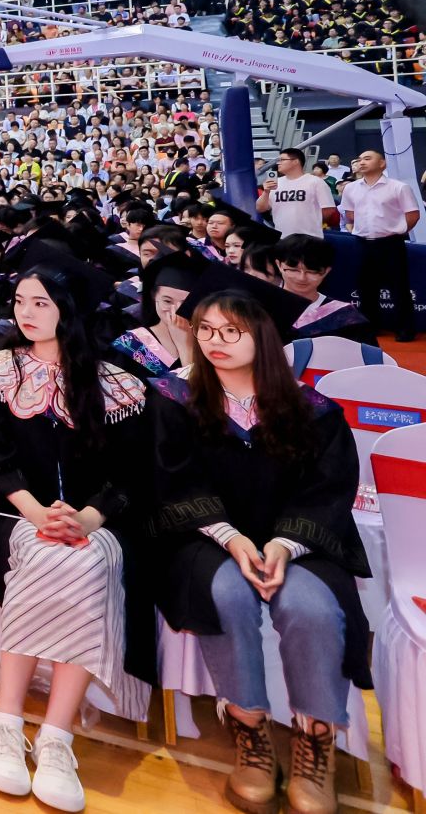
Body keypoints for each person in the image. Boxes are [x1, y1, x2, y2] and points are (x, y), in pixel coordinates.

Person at [153, 291, 370, 814]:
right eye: (206, 329)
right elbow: (171, 481)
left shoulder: (311, 409)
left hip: (297, 542)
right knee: (226, 593)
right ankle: (249, 732)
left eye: (232, 331)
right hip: (206, 538)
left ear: (264, 336)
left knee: (311, 606)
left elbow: (328, 489)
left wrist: (283, 544)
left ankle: (314, 740)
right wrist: (230, 537)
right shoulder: (174, 399)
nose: (215, 341)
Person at [0, 266, 154, 812]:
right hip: (15, 516)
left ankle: (56, 737)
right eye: (19, 301)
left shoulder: (115, 382)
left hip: (97, 521)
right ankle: (7, 722)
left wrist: (90, 518)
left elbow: (132, 474)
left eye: (41, 303)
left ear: (68, 310)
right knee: (47, 556)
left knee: (85, 562)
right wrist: (34, 513)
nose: (26, 313)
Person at [339, 148, 418, 341]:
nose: (362, 162)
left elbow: (413, 215)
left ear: (382, 163)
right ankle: (370, 327)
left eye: (368, 158)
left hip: (391, 243)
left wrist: (396, 230)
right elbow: (349, 214)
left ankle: (404, 329)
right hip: (362, 243)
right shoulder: (351, 188)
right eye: (360, 159)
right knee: (365, 288)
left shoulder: (399, 187)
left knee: (399, 287)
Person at [111, 253, 203, 377]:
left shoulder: (208, 341)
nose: (176, 310)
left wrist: (185, 346)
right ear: (154, 297)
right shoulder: (131, 345)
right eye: (167, 301)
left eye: (186, 303)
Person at [260, 148, 339, 237]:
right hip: (282, 237)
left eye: (282, 160)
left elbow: (328, 209)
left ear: (295, 161)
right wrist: (266, 192)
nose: (278, 163)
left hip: (310, 237)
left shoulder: (316, 182)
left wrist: (312, 223)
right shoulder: (276, 183)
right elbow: (260, 208)